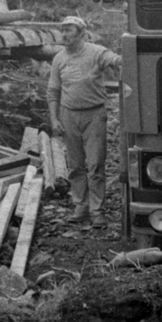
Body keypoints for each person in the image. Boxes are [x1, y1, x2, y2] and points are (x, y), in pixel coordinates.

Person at [46, 15, 122, 228]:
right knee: (75, 164)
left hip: (94, 115)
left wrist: (118, 61)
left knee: (96, 163)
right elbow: (53, 91)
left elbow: (112, 58)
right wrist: (54, 119)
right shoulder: (59, 59)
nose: (64, 34)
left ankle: (97, 210)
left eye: (69, 30)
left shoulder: (95, 52)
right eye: (63, 30)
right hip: (68, 114)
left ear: (81, 33)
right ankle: (81, 206)